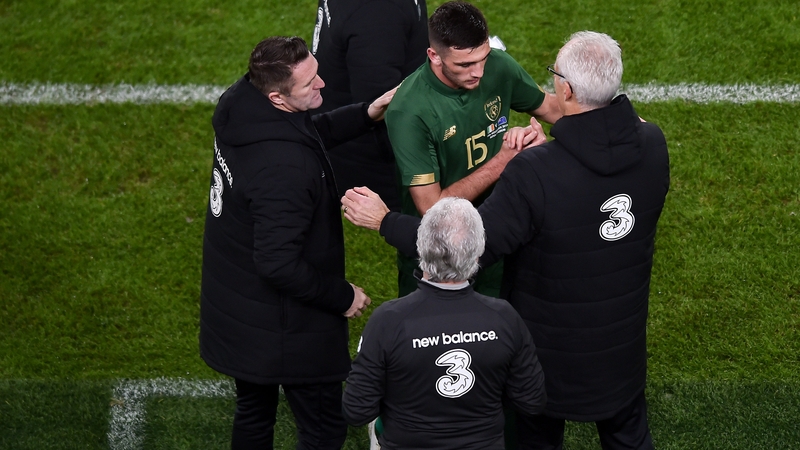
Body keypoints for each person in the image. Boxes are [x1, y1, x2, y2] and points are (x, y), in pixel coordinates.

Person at [342, 31, 670, 450]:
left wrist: (386, 221)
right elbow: (623, 134)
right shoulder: (654, 145)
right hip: (620, 354)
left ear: (566, 89)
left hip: (549, 360)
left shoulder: (537, 171)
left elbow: (465, 251)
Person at [199, 36, 395, 449]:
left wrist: (366, 113)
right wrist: (342, 296)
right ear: (278, 97)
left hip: (239, 305)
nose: (322, 83)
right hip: (283, 327)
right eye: (310, 84)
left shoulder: (242, 104)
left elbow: (305, 132)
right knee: (323, 428)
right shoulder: (284, 171)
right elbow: (277, 263)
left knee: (253, 414)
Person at [384, 1, 561, 298]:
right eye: (465, 65)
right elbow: (432, 208)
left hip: (501, 232)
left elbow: (553, 109)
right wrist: (504, 161)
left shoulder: (499, 67)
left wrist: (621, 120)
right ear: (434, 56)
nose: (478, 72)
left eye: (483, 58)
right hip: (441, 253)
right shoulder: (409, 110)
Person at [342, 197, 547, 449]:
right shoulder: (504, 317)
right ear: (478, 252)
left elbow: (356, 410)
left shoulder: (389, 320)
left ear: (420, 246)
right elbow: (532, 401)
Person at [310, 0, 428, 210]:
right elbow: (382, 103)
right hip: (375, 152)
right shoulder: (378, 12)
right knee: (427, 229)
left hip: (343, 131)